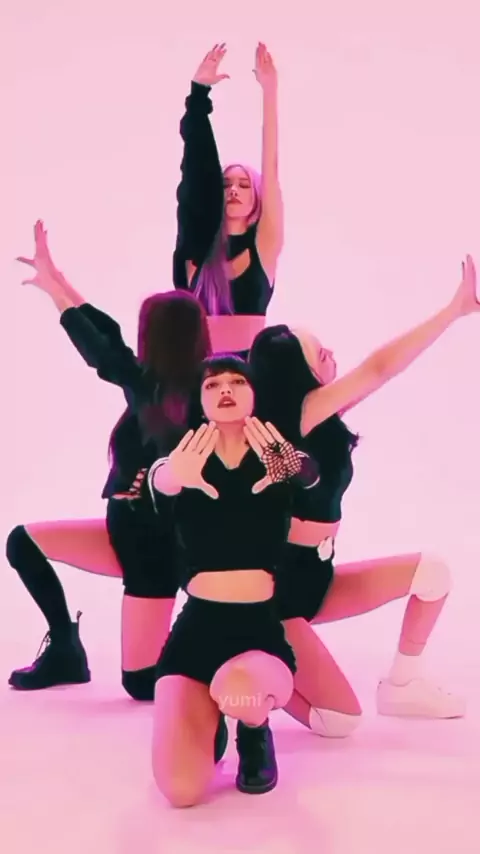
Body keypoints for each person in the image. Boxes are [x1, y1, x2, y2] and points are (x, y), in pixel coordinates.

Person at [249, 254, 479, 737]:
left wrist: (452, 315)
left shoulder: (318, 416)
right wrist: (450, 311)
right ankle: (248, 666)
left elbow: (379, 375)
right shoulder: (299, 413)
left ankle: (403, 685)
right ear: (297, 375)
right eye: (318, 353)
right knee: (338, 721)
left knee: (433, 574)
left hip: (318, 575)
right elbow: (379, 368)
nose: (330, 353)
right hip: (280, 594)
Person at [6, 221, 215, 711]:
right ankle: (65, 648)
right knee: (22, 542)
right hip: (123, 529)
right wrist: (58, 283)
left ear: (157, 339)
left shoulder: (196, 394)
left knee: (142, 683)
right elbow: (107, 342)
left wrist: (58, 291)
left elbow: (103, 348)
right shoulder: (147, 384)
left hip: (158, 549)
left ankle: (209, 655)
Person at [148, 354, 320, 805]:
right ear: (200, 399)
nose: (225, 389)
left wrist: (292, 467)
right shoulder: (186, 454)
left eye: (237, 381)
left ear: (254, 393)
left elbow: (309, 475)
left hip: (257, 631)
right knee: (181, 791)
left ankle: (253, 731)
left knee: (240, 689)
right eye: (212, 384)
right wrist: (175, 475)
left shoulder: (274, 451)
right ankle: (211, 721)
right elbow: (160, 479)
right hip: (195, 632)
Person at [173, 43, 283, 356]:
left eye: (244, 185)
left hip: (249, 377)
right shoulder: (196, 249)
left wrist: (270, 92)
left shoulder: (264, 245)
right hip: (197, 374)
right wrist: (198, 92)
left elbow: (271, 169)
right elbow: (193, 172)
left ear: (256, 197)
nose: (233, 190)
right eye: (226, 184)